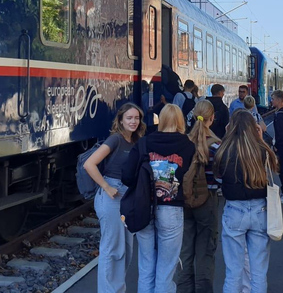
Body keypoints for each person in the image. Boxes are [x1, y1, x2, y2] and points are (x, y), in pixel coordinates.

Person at [122, 104, 196, 293]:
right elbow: (187, 173)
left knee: (146, 265)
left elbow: (127, 176)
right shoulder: (187, 145)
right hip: (171, 210)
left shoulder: (144, 143)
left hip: (144, 206)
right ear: (180, 121)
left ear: (160, 120)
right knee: (166, 267)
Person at [84, 102, 145, 293]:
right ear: (120, 120)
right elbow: (89, 164)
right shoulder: (115, 140)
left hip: (127, 197)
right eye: (129, 118)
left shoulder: (135, 140)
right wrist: (106, 186)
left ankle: (117, 289)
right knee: (112, 249)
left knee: (126, 249)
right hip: (112, 197)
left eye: (136, 118)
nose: (133, 121)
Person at [214, 110, 278, 293]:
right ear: (253, 127)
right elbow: (272, 169)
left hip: (234, 210)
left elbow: (219, 178)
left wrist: (226, 136)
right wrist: (261, 137)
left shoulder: (224, 150)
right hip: (260, 209)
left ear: (230, 127)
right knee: (259, 272)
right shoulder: (261, 149)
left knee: (233, 271)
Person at [175, 100, 222, 293]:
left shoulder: (184, 143)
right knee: (205, 252)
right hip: (208, 201)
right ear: (212, 118)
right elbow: (221, 177)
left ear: (194, 116)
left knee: (185, 251)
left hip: (185, 201)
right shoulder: (216, 145)